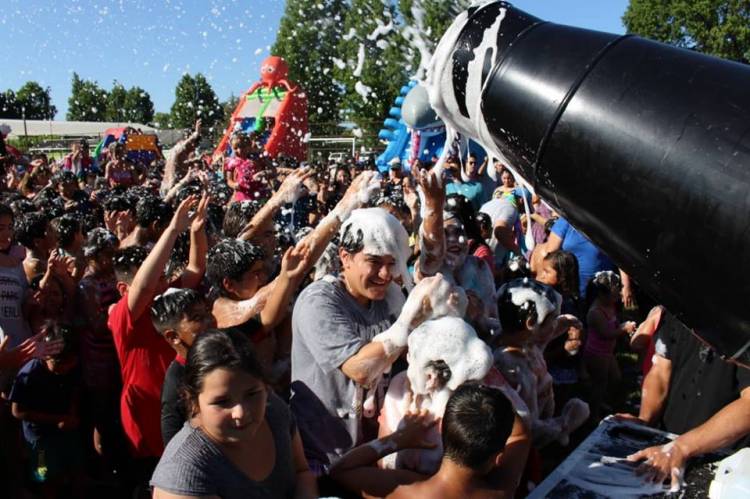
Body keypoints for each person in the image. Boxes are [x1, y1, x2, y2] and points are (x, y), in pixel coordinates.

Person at [150, 329, 318, 499]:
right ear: (194, 402)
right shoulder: (183, 475)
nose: (241, 412)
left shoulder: (273, 410)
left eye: (252, 394)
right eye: (221, 402)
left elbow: (302, 471)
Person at [107, 195, 207, 480]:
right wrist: (172, 230)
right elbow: (144, 285)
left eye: (163, 278)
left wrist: (196, 232)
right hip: (144, 422)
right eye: (154, 280)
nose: (161, 284)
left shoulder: (166, 305)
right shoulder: (123, 317)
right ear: (124, 289)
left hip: (178, 411)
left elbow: (196, 269)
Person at [619, 310, 750, 491]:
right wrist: (644, 421)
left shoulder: (742, 318)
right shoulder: (676, 309)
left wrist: (681, 448)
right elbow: (660, 371)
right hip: (668, 444)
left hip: (724, 462)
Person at [329, 382, 530, 498]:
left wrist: (397, 439)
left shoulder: (406, 491)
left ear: (441, 427)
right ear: (499, 457)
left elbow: (341, 470)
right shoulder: (502, 489)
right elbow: (521, 433)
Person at [9, 322, 84, 497]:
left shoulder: (73, 367)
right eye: (58, 364)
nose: (64, 368)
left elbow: (76, 390)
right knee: (44, 477)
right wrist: (56, 420)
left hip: (65, 432)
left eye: (69, 363)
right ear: (46, 356)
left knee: (75, 470)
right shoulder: (29, 374)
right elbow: (17, 411)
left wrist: (71, 414)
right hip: (39, 439)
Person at [151, 288, 216, 446]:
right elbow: (173, 445)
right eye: (197, 318)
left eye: (207, 312)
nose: (210, 320)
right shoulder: (176, 383)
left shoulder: (222, 354)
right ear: (173, 337)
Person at [582, 271, 636, 421]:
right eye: (613, 295)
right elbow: (606, 333)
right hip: (597, 353)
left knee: (616, 378)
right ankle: (594, 415)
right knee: (599, 384)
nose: (617, 297)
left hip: (607, 352)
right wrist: (624, 329)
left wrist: (622, 327)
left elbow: (613, 324)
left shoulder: (609, 306)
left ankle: (606, 403)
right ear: (601, 294)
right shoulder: (595, 313)